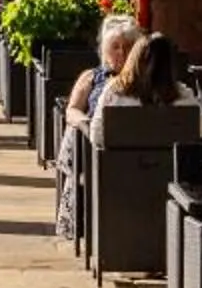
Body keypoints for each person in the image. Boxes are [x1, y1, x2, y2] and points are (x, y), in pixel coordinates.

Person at [54, 13, 141, 243]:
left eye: (128, 46)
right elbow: (71, 110)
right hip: (98, 145)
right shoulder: (92, 77)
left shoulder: (144, 80)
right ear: (105, 50)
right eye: (115, 47)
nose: (122, 53)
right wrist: (86, 124)